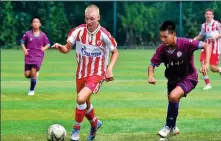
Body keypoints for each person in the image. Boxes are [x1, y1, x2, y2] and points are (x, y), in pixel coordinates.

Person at [52, 4, 119, 141]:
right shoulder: (78, 31)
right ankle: (95, 124)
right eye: (86, 19)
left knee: (80, 99)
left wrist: (109, 68)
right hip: (81, 73)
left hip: (97, 73)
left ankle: (76, 130)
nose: (88, 22)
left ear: (98, 18)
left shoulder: (104, 34)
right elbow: (66, 49)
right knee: (85, 104)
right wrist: (60, 47)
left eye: (92, 19)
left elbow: (115, 52)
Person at [148, 21, 210, 139]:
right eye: (161, 37)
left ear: (174, 34)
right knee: (173, 101)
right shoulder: (162, 49)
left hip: (189, 77)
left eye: (165, 36)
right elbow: (152, 64)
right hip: (172, 81)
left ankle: (167, 127)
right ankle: (174, 127)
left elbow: (206, 45)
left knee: (173, 96)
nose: (163, 39)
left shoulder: (186, 43)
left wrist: (206, 63)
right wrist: (150, 75)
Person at [21, 16, 50, 96]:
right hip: (29, 57)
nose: (35, 24)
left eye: (37, 22)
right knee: (27, 75)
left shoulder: (43, 35)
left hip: (38, 57)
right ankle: (35, 75)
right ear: (31, 24)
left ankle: (31, 90)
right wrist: (24, 50)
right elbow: (22, 42)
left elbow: (48, 44)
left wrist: (44, 48)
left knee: (33, 70)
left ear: (40, 24)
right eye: (34, 22)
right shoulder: (27, 34)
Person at [194, 8, 221, 90]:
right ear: (205, 15)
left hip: (215, 47)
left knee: (213, 68)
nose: (208, 15)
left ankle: (219, 69)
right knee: (203, 64)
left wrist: (216, 36)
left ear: (213, 15)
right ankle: (208, 84)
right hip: (206, 46)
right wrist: (193, 39)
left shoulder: (217, 24)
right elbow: (201, 35)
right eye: (207, 14)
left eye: (210, 14)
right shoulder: (203, 25)